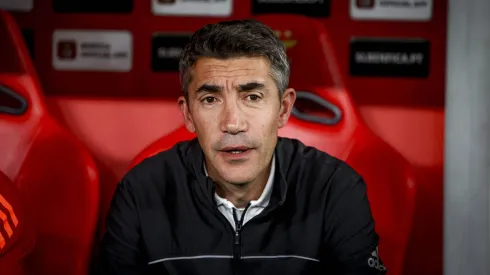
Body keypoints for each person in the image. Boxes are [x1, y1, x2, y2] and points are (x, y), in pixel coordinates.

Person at [95, 19, 386, 275]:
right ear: (187, 115)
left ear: (283, 109)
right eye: (210, 99)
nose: (233, 123)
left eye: (253, 97)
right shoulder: (141, 190)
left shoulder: (335, 188)